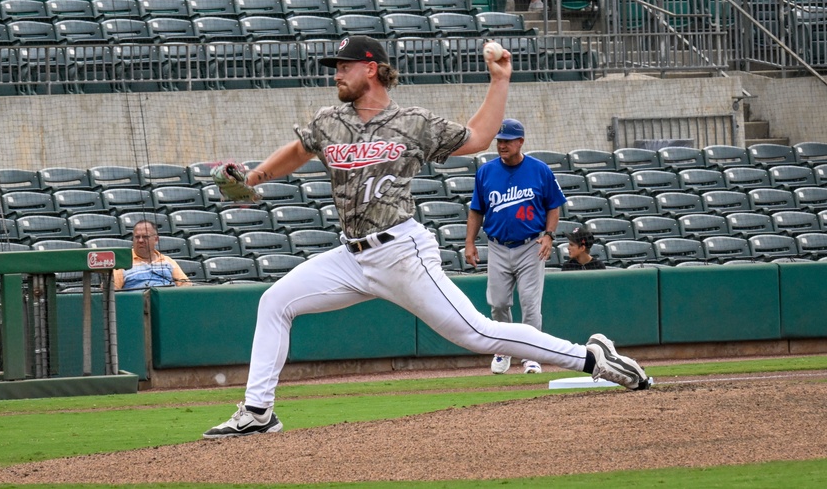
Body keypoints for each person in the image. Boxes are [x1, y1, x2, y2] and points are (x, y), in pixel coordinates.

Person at [201, 35, 650, 439]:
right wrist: (254, 176)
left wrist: (500, 80)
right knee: (274, 302)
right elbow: (299, 151)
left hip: (401, 252)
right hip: (351, 256)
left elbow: (476, 137)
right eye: (335, 67)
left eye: (344, 65)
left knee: (478, 333)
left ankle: (593, 360)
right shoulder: (328, 121)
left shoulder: (411, 122)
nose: (336, 73)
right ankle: (258, 411)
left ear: (371, 68)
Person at [464, 119, 566, 376]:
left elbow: (553, 205)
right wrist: (469, 243)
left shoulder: (540, 170)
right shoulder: (486, 172)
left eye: (507, 140)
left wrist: (549, 235)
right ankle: (504, 349)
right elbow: (476, 210)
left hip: (530, 245)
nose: (502, 145)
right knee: (498, 304)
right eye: (499, 140)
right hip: (497, 246)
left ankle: (531, 356)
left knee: (530, 304)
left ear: (520, 142)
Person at [113, 221, 193, 290]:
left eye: (145, 237)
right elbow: (113, 290)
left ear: (156, 240)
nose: (140, 240)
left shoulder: (167, 261)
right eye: (137, 237)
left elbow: (186, 284)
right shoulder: (123, 262)